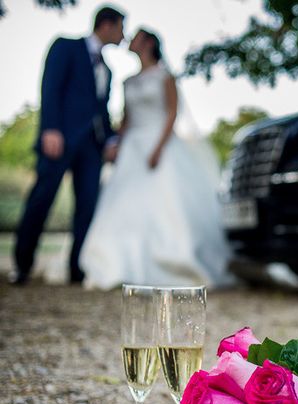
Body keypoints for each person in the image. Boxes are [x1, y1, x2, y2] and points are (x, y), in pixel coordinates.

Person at [79, 29, 233, 289]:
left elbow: (172, 113)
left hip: (160, 144)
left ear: (149, 42)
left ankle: (171, 264)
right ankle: (118, 265)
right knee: (125, 205)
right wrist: (115, 143)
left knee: (164, 203)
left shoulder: (165, 76)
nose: (130, 39)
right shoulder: (127, 81)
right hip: (131, 149)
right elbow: (126, 120)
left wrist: (159, 148)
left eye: (137, 36)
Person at [10, 6, 125, 285]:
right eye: (121, 27)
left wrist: (111, 140)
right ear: (107, 25)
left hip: (91, 148)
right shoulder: (66, 46)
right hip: (59, 139)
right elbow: (50, 87)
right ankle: (22, 265)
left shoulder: (107, 70)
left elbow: (102, 111)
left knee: (87, 206)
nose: (123, 34)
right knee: (42, 199)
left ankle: (76, 269)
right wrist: (50, 128)